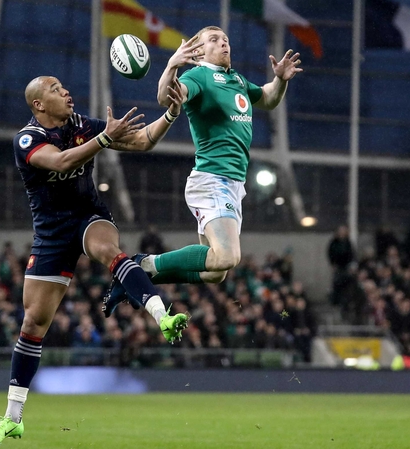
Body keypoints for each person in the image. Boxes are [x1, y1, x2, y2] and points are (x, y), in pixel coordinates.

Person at [0, 75, 189, 446]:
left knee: (109, 250)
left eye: (64, 86)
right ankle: (13, 419)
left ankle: (163, 315)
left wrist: (171, 114)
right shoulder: (27, 138)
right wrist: (105, 138)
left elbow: (142, 141)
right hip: (52, 235)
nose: (66, 91)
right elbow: (60, 162)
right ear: (39, 105)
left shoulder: (81, 125)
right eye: (56, 90)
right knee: (34, 322)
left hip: (90, 216)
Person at [104, 26, 303, 313]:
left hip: (232, 185)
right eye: (214, 40)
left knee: (215, 272)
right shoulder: (198, 76)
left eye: (225, 39)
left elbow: (269, 98)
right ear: (199, 51)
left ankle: (140, 274)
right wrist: (173, 64)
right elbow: (165, 98)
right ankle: (142, 264)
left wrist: (280, 80)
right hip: (212, 180)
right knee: (226, 257)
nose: (223, 43)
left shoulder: (236, 79)